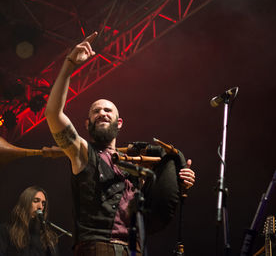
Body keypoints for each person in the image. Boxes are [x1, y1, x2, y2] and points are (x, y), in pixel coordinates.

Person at [44, 31, 196, 256]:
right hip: (96, 248)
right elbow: (53, 115)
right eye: (96, 111)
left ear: (120, 122)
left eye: (108, 110)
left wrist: (179, 180)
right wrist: (68, 65)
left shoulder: (134, 168)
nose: (102, 113)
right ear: (87, 124)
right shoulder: (82, 153)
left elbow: (154, 209)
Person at [0, 186, 58, 256]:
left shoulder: (48, 236)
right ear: (25, 203)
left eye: (43, 203)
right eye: (36, 201)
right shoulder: (6, 231)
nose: (40, 207)